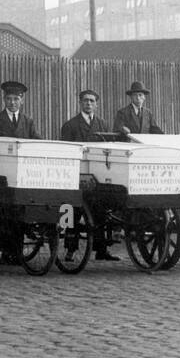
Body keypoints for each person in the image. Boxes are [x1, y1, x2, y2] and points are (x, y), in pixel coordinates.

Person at [58, 89, 117, 261]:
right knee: (72, 213)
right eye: (85, 101)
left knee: (101, 213)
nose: (88, 104)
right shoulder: (70, 125)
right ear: (80, 103)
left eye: (92, 101)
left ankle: (101, 250)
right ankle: (70, 249)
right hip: (76, 176)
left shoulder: (103, 125)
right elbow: (66, 152)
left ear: (96, 104)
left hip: (97, 177)